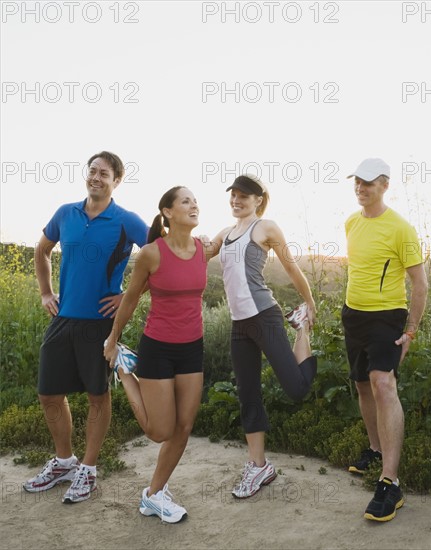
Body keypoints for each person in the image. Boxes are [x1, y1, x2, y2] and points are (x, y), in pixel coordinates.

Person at [25, 151, 149, 503]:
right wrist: (46, 291)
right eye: (92, 171)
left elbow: (163, 259)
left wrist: (127, 296)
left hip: (100, 325)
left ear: (117, 180)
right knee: (48, 394)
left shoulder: (126, 220)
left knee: (98, 395)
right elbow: (42, 250)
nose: (96, 177)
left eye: (104, 173)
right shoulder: (66, 213)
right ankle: (64, 462)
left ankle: (89, 470)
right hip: (63, 318)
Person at [103, 186, 210, 523]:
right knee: (159, 431)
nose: (194, 205)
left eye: (195, 200)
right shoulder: (151, 253)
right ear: (167, 212)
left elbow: (231, 236)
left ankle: (153, 494)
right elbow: (131, 299)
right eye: (186, 201)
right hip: (158, 348)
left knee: (184, 426)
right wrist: (112, 339)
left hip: (192, 348)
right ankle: (124, 369)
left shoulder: (202, 249)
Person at [207, 174, 317, 499]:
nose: (237, 200)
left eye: (244, 196)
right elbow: (197, 254)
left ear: (258, 200)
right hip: (239, 324)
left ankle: (302, 328)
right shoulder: (225, 234)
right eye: (234, 195)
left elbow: (292, 266)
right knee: (248, 394)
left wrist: (309, 302)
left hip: (265, 316)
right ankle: (259, 466)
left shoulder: (265, 227)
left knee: (297, 389)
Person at [342, 158, 428, 522]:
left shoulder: (401, 229)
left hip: (387, 317)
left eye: (369, 183)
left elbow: (420, 284)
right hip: (353, 315)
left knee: (383, 384)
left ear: (385, 185)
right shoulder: (351, 222)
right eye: (357, 182)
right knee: (362, 384)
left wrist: (410, 330)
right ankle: (375, 449)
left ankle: (390, 482)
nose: (361, 188)